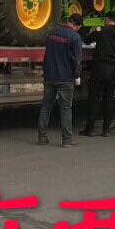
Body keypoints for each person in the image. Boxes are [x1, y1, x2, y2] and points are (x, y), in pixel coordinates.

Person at [38, 14, 84, 148]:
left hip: (49, 75)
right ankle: (67, 140)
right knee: (65, 109)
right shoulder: (75, 37)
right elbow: (76, 60)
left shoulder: (52, 33)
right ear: (77, 26)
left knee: (46, 106)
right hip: (65, 78)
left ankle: (42, 137)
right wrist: (77, 76)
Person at [81, 15, 115, 136]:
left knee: (94, 98)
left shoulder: (102, 30)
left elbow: (87, 40)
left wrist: (84, 29)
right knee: (109, 99)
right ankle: (106, 129)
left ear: (107, 20)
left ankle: (90, 129)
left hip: (100, 67)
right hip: (114, 68)